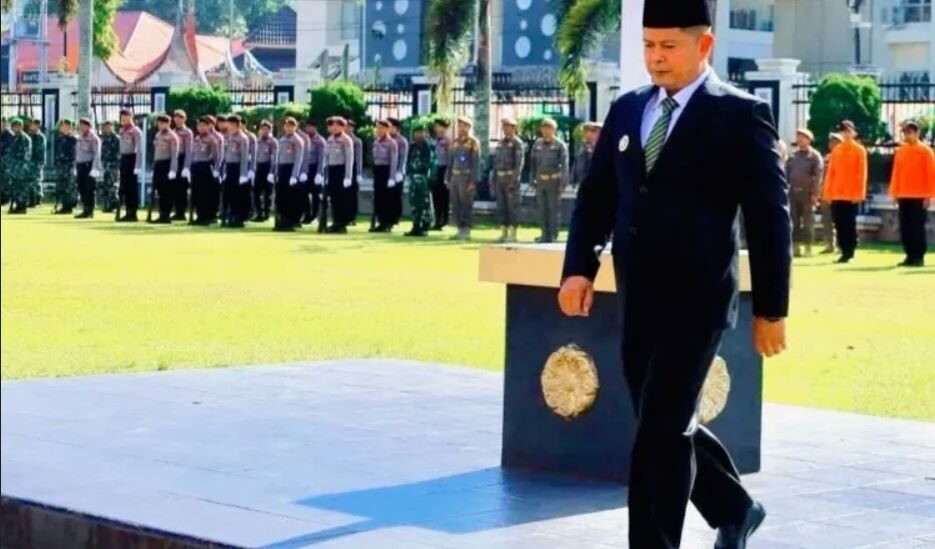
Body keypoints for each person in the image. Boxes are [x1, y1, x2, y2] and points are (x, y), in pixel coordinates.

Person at [558, 0, 791, 546]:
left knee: (660, 431)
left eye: (668, 46)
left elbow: (769, 218)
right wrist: (579, 268)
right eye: (648, 46)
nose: (655, 58)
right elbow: (598, 196)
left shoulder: (740, 115)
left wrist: (772, 309)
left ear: (704, 44)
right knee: (663, 419)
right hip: (639, 296)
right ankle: (735, 507)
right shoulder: (628, 109)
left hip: (698, 301)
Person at [889, 119, 935, 267]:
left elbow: (931, 174)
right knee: (905, 227)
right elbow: (896, 173)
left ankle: (918, 256)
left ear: (917, 133)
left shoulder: (926, 151)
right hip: (904, 194)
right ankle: (909, 255)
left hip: (919, 195)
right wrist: (895, 192)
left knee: (917, 227)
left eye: (910, 132)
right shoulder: (901, 151)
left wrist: (929, 195)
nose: (907, 135)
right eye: (905, 132)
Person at [822, 120, 867, 264]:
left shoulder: (859, 150)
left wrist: (859, 194)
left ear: (853, 132)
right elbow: (831, 173)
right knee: (839, 223)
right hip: (837, 193)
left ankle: (850, 252)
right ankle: (843, 251)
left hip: (851, 195)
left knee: (849, 224)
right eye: (843, 131)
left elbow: (862, 174)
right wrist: (828, 193)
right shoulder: (837, 150)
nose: (846, 134)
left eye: (848, 131)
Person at [785, 128, 824, 257]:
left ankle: (808, 247)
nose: (799, 140)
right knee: (793, 221)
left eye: (802, 137)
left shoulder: (814, 156)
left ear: (809, 139)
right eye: (798, 137)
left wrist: (815, 194)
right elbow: (786, 173)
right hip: (793, 193)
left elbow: (818, 176)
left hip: (808, 194)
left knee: (808, 222)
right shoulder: (792, 156)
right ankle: (795, 247)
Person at [531, 117, 569, 243]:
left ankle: (552, 235)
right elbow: (533, 164)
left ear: (554, 130)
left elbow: (564, 165)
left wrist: (563, 183)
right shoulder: (537, 144)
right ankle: (544, 234)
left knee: (553, 209)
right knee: (541, 208)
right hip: (541, 181)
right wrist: (532, 179)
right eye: (544, 128)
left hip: (554, 181)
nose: (546, 131)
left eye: (549, 128)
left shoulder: (560, 145)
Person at [445, 116, 481, 240]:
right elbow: (450, 161)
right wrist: (447, 177)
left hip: (466, 176)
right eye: (460, 125)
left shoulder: (473, 142)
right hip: (455, 176)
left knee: (466, 203)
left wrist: (473, 181)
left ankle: (466, 229)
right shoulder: (454, 142)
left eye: (464, 126)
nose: (461, 128)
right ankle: (459, 228)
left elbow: (476, 163)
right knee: (456, 204)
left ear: (469, 127)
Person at [492, 117, 525, 242]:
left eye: (508, 126)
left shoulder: (517, 143)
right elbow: (496, 162)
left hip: (510, 178)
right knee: (502, 206)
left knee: (513, 207)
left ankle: (513, 233)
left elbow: (519, 164)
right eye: (504, 126)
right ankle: (504, 232)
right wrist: (494, 179)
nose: (505, 129)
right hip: (500, 178)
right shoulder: (500, 143)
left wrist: (514, 180)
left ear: (513, 128)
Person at [322, 116, 354, 233]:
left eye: (337, 125)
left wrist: (348, 176)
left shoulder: (346, 140)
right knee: (333, 198)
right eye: (332, 125)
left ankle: (341, 224)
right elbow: (326, 156)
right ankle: (336, 222)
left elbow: (349, 158)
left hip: (341, 170)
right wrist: (324, 172)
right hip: (332, 170)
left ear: (343, 127)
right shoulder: (330, 139)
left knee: (341, 199)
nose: (334, 127)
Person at [274, 117, 306, 231]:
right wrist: (276, 171)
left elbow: (298, 159)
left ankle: (290, 221)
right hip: (283, 168)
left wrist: (294, 175)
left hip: (291, 169)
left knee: (291, 198)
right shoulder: (282, 139)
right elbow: (278, 157)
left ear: (295, 127)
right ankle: (282, 219)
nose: (288, 128)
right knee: (281, 196)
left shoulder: (297, 140)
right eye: (287, 126)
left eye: (291, 126)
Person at [191, 116, 222, 225]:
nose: (201, 128)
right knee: (197, 193)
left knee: (205, 193)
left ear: (208, 126)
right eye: (199, 126)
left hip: (206, 166)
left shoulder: (212, 139)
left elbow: (217, 156)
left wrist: (216, 169)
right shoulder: (197, 138)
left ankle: (206, 216)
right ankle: (200, 215)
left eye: (203, 125)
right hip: (196, 166)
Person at [404, 125, 434, 237]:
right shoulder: (412, 146)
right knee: (414, 203)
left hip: (423, 177)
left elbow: (429, 162)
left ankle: (425, 226)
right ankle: (415, 226)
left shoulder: (428, 146)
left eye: (421, 132)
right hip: (413, 177)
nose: (418, 135)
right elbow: (408, 160)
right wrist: (408, 171)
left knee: (424, 203)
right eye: (416, 132)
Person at [370, 120, 399, 232]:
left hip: (387, 170)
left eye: (382, 128)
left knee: (387, 198)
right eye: (378, 128)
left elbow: (394, 160)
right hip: (378, 170)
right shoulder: (376, 142)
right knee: (378, 198)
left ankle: (387, 223)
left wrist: (392, 177)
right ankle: (381, 221)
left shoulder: (392, 143)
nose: (379, 130)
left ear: (387, 129)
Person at [150, 114, 180, 224]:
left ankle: (166, 215)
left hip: (167, 164)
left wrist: (173, 170)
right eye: (159, 123)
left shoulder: (172, 136)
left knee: (167, 191)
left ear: (168, 124)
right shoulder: (158, 135)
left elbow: (174, 155)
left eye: (162, 123)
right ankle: (161, 214)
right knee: (160, 191)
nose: (160, 125)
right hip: (158, 164)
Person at [223, 115, 251, 228]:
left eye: (231, 124)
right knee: (229, 193)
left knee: (238, 194)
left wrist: (243, 174)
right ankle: (231, 216)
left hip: (238, 167)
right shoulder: (228, 137)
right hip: (229, 167)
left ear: (236, 125)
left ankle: (239, 218)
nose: (229, 126)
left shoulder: (243, 138)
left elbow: (244, 157)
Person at [117, 109, 143, 222]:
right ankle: (128, 211)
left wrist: (138, 165)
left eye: (126, 116)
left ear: (130, 117)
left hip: (132, 158)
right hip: (124, 158)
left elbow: (139, 149)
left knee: (132, 188)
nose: (123, 119)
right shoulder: (122, 130)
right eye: (122, 116)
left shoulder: (135, 131)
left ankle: (133, 212)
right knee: (124, 187)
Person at [74, 118, 103, 219]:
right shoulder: (80, 137)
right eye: (80, 125)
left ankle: (89, 210)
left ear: (88, 126)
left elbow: (97, 153)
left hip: (89, 166)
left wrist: (95, 168)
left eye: (83, 125)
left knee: (89, 189)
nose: (81, 127)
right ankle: (85, 208)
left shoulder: (93, 138)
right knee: (81, 188)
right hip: (80, 165)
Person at [819, 133, 842, 254]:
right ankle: (829, 244)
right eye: (830, 141)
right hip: (826, 193)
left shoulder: (843, 157)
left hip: (839, 193)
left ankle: (841, 245)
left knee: (839, 220)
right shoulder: (827, 158)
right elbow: (822, 176)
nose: (831, 144)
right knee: (826, 219)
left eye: (834, 141)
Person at [252, 120, 278, 222]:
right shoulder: (257, 141)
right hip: (258, 167)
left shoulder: (273, 142)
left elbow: (274, 157)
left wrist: (272, 171)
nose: (264, 131)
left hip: (268, 167)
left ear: (270, 130)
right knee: (256, 192)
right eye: (262, 129)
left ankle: (266, 213)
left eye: (267, 129)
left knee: (268, 193)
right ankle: (259, 213)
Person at [6, 118, 32, 214]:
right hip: (14, 168)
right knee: (15, 188)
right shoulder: (13, 138)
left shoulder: (25, 138)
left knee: (22, 188)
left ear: (21, 127)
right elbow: (10, 152)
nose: (14, 128)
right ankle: (17, 205)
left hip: (21, 168)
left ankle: (22, 206)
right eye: (13, 126)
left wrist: (20, 166)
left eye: (16, 126)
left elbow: (26, 155)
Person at [302, 120, 326, 224]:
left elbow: (322, 158)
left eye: (311, 127)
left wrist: (319, 173)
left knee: (316, 194)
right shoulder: (303, 139)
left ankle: (314, 216)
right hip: (305, 169)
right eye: (307, 127)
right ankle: (307, 215)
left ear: (315, 128)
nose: (309, 129)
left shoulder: (320, 141)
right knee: (303, 193)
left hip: (315, 168)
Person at [172, 110, 194, 221]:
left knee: (182, 187)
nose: (177, 120)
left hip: (182, 158)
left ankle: (181, 212)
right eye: (176, 117)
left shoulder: (187, 132)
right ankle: (177, 211)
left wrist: (186, 166)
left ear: (184, 119)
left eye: (180, 117)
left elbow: (189, 151)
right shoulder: (173, 131)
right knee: (174, 187)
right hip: (174, 159)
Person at [388, 117, 409, 229]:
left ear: (396, 128)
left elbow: (403, 157)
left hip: (398, 172)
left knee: (395, 195)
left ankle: (395, 217)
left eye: (391, 127)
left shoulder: (402, 141)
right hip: (387, 170)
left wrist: (400, 171)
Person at [53, 119, 78, 215]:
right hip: (60, 166)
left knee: (69, 187)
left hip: (70, 166)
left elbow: (75, 153)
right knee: (61, 186)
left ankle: (69, 206)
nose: (63, 128)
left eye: (65, 126)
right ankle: (63, 205)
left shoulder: (74, 139)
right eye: (62, 126)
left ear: (70, 127)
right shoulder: (59, 139)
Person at [431, 118, 452, 230]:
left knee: (444, 196)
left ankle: (444, 219)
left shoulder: (448, 141)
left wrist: (448, 175)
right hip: (435, 169)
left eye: (438, 126)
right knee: (436, 196)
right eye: (435, 126)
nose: (437, 128)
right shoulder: (434, 141)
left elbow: (450, 159)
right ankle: (437, 219)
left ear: (444, 127)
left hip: (444, 169)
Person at [207, 115, 225, 223]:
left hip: (215, 165)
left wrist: (217, 169)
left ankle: (214, 214)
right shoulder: (201, 136)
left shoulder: (218, 136)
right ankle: (205, 214)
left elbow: (220, 155)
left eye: (208, 123)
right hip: (204, 165)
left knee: (214, 191)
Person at [99, 121, 120, 213]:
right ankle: (108, 205)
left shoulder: (116, 139)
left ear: (112, 127)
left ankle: (114, 206)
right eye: (105, 127)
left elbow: (119, 153)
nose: (106, 129)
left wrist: (115, 165)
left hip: (114, 166)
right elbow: (103, 153)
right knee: (106, 186)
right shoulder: (104, 139)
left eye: (108, 127)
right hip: (106, 166)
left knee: (113, 186)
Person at [572, 121, 601, 190]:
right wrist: (573, 179)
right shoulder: (581, 145)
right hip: (582, 181)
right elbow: (576, 162)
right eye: (584, 131)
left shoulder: (599, 146)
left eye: (589, 131)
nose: (586, 134)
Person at [347, 120, 364, 225]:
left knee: (352, 194)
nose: (347, 129)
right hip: (343, 168)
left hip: (353, 168)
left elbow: (359, 158)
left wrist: (358, 173)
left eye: (349, 127)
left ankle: (352, 217)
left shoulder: (356, 141)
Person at [27, 118, 46, 208]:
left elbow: (40, 151)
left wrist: (39, 163)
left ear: (38, 126)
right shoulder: (29, 136)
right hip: (29, 162)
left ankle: (38, 199)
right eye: (32, 125)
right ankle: (31, 200)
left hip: (37, 162)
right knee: (29, 181)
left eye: (35, 125)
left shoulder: (40, 137)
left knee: (37, 181)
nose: (33, 126)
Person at [0, 117, 12, 205]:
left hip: (7, 162)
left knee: (6, 180)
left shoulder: (10, 135)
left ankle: (6, 198)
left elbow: (11, 149)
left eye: (2, 123)